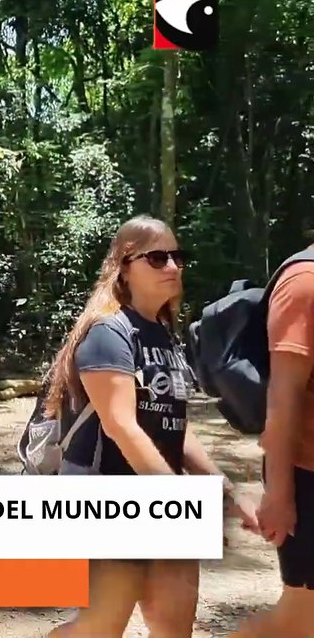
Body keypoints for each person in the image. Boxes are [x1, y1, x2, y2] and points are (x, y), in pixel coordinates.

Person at [43, 215, 257, 638]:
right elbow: (122, 425)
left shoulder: (163, 333)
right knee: (100, 630)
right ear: (124, 266)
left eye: (178, 257)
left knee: (174, 626)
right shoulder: (109, 331)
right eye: (157, 258)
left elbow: (173, 423)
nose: (173, 267)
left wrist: (223, 490)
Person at [232, 243, 314, 637]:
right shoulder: (304, 283)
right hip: (308, 478)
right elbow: (282, 401)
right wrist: (279, 497)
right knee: (297, 622)